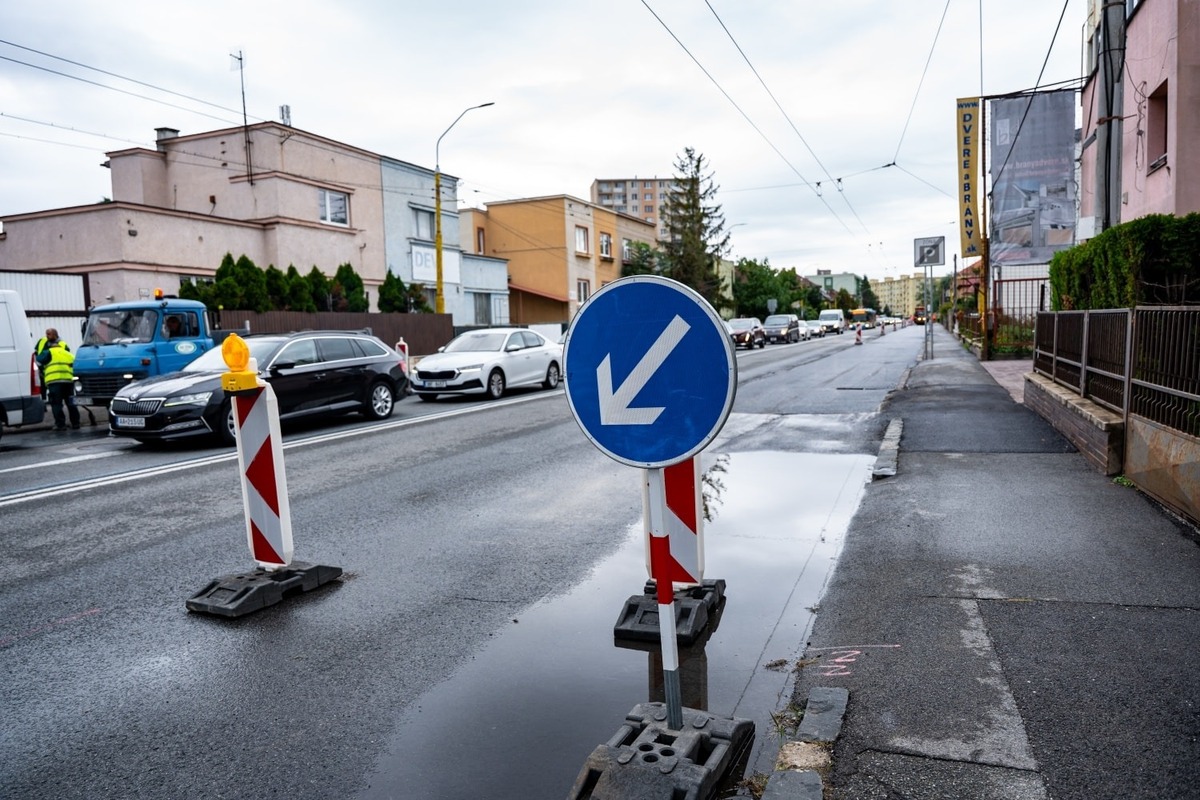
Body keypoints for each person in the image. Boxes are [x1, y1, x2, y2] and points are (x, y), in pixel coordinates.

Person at [36, 329, 81, 431]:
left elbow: (38, 361)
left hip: (54, 382)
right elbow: (75, 365)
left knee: (56, 404)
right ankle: (76, 424)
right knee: (71, 403)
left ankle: (60, 425)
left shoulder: (48, 352)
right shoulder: (68, 354)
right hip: (68, 382)